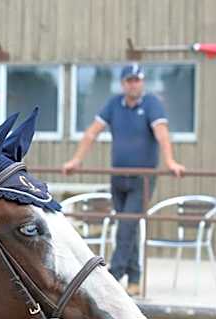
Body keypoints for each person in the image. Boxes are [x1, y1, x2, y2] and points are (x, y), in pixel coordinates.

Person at [62, 63, 186, 297]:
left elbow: (162, 134)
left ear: (142, 82)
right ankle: (135, 279)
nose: (134, 85)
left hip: (142, 178)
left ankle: (113, 276)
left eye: (137, 80)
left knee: (127, 225)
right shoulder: (114, 104)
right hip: (118, 177)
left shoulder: (151, 104)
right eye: (130, 80)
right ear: (123, 84)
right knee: (129, 228)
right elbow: (92, 132)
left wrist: (170, 162)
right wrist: (76, 160)